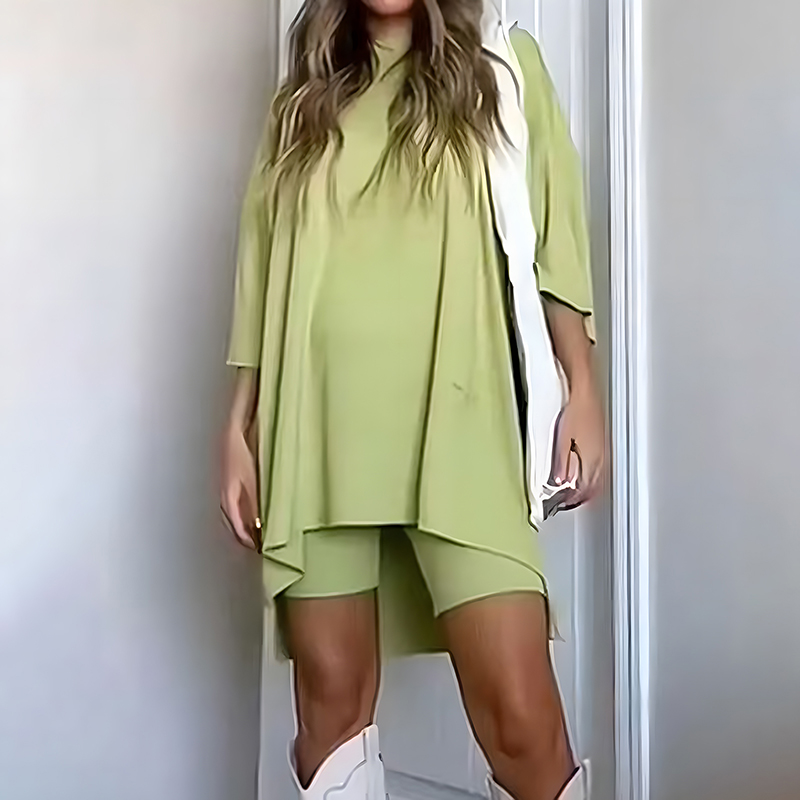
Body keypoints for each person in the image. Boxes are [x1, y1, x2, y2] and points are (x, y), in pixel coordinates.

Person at [219, 0, 605, 797]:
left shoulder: (504, 68)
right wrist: (239, 424)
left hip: (462, 417)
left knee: (521, 720)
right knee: (329, 710)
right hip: (317, 420)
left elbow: (554, 238)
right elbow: (261, 263)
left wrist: (583, 387)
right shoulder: (302, 99)